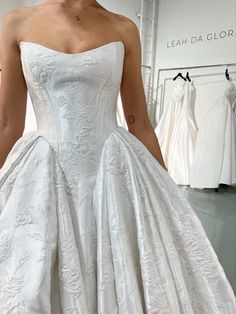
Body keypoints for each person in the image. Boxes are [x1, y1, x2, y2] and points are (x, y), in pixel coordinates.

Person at [0, 1, 235, 313]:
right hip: (41, 174)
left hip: (111, 172)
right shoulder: (17, 21)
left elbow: (139, 121)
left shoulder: (124, 28)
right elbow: (7, 123)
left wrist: (168, 195)